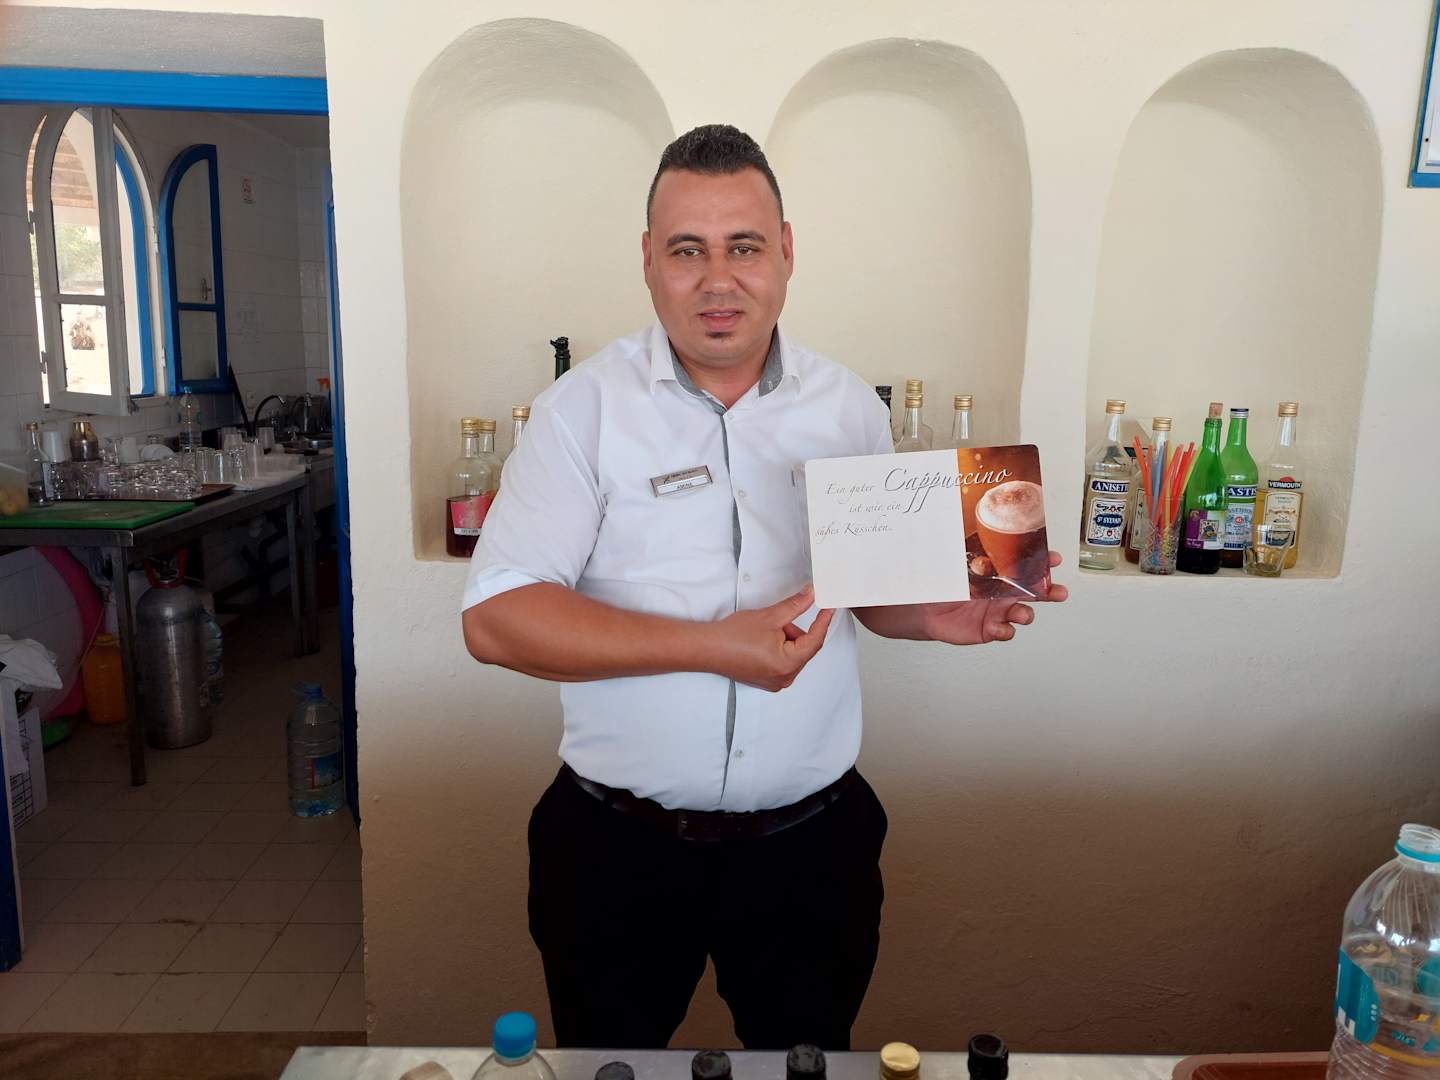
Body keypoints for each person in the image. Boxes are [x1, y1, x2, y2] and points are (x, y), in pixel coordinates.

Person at [461, 124, 1068, 1051]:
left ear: (785, 250)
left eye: (743, 246)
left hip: (811, 851)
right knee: (610, 1071)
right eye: (687, 250)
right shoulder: (580, 412)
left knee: (807, 1066)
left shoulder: (848, 408)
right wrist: (713, 645)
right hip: (615, 852)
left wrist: (931, 613)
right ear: (647, 260)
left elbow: (865, 589)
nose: (718, 280)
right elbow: (497, 619)